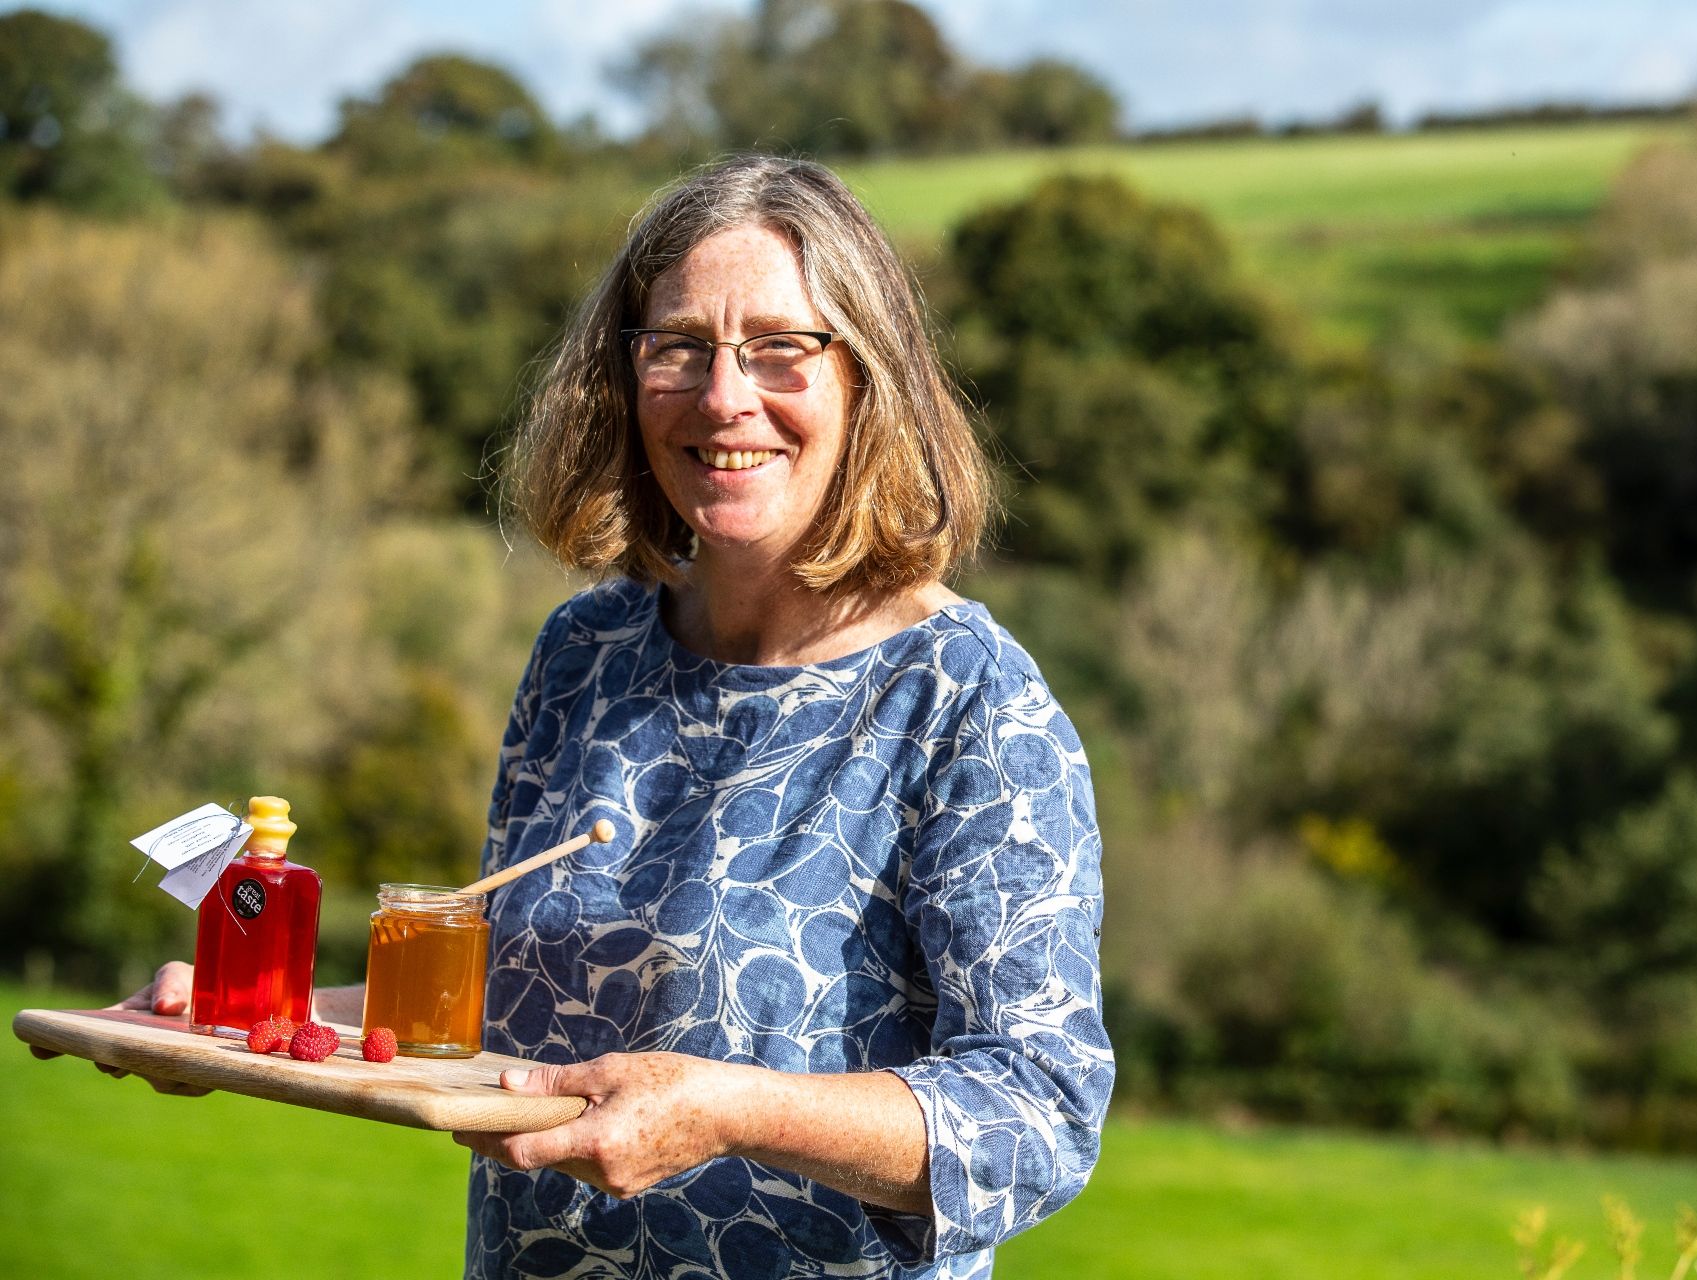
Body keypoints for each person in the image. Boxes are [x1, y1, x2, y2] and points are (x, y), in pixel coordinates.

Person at [86, 154, 1112, 1280]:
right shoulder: (584, 652)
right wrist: (250, 1019)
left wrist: (729, 1110)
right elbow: (512, 1001)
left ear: (870, 380)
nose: (724, 396)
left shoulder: (968, 699)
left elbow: (1040, 1114)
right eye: (679, 346)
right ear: (624, 379)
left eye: (781, 346)